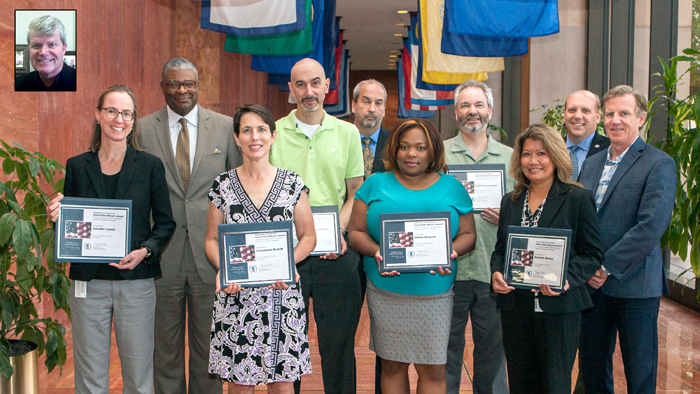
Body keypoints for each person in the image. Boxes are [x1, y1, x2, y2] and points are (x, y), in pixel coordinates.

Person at [46, 85, 175, 393]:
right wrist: (58, 219)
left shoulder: (150, 165)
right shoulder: (77, 165)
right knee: (90, 378)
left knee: (138, 376)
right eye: (112, 111)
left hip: (137, 282)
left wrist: (145, 251)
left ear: (133, 120)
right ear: (98, 115)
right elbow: (73, 230)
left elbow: (166, 223)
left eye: (127, 113)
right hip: (89, 284)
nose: (120, 119)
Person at [349, 119, 477, 393]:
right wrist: (378, 252)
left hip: (435, 292)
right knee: (392, 365)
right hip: (386, 291)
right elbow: (356, 232)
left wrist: (450, 252)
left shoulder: (452, 185)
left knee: (433, 368)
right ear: (394, 149)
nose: (411, 153)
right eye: (404, 146)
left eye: (420, 147)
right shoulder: (374, 184)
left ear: (433, 152)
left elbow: (468, 235)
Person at [138, 58, 241, 394]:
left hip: (210, 255)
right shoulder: (140, 129)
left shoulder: (226, 128)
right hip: (161, 256)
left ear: (198, 84)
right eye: (173, 83)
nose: (181, 90)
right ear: (162, 85)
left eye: (188, 83)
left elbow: (237, 192)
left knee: (208, 346)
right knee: (163, 347)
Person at [205, 105, 317, 393]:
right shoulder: (223, 186)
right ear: (237, 138)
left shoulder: (292, 184)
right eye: (246, 130)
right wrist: (224, 270)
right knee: (240, 384)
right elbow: (211, 241)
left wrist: (287, 264)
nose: (254, 136)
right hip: (237, 296)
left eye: (261, 129)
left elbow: (308, 236)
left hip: (281, 293)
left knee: (282, 385)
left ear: (273, 136)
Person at [270, 58, 364, 394]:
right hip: (287, 257)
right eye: (300, 84)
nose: (308, 92)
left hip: (335, 254)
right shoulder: (274, 133)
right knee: (287, 348)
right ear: (290, 90)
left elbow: (354, 193)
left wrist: (338, 231)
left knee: (338, 347)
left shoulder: (348, 132)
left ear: (327, 85)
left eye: (315, 83)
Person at [490, 123, 604, 394]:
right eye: (526, 154)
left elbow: (593, 253)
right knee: (520, 382)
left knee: (554, 384)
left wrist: (566, 279)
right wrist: (496, 274)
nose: (533, 161)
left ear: (555, 156)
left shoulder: (577, 198)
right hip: (516, 307)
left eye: (541, 153)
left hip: (559, 309)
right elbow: (500, 251)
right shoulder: (511, 200)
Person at [578, 85, 676, 394]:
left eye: (624, 113)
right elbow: (581, 219)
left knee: (640, 371)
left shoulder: (659, 163)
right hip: (591, 286)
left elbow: (651, 225)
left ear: (641, 118)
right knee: (592, 368)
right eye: (609, 114)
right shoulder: (591, 163)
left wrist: (605, 267)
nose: (615, 120)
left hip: (634, 285)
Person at [443, 79, 511, 394]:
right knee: (444, 355)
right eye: (465, 105)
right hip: (448, 273)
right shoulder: (438, 155)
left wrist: (507, 216)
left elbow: (526, 211)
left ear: (490, 110)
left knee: (493, 357)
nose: (473, 111)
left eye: (479, 105)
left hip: (493, 271)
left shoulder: (512, 157)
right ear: (455, 112)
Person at [16, 14, 76, 91]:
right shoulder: (17, 84)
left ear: (64, 49)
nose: (43, 52)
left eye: (52, 45)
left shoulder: (84, 82)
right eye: (36, 45)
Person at [563, 90, 610, 181]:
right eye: (572, 110)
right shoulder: (551, 149)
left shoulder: (610, 150)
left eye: (585, 111)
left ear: (597, 117)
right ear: (564, 116)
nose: (578, 116)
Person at [352, 79, 392, 178]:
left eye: (378, 103)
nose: (372, 109)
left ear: (384, 110)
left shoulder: (395, 142)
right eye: (366, 102)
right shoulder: (338, 138)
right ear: (354, 106)